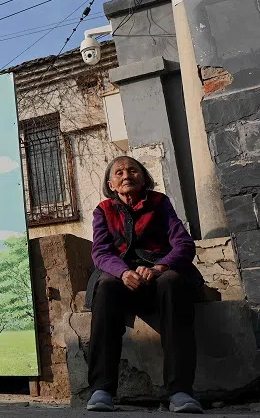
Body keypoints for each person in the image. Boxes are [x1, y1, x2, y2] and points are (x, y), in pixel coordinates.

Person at [86, 156, 204, 414]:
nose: (126, 175)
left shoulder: (160, 203)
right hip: (120, 279)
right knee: (105, 286)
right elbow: (101, 253)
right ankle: (102, 389)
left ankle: (180, 391)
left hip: (158, 275)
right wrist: (123, 272)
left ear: (143, 177)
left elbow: (183, 244)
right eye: (119, 172)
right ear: (112, 184)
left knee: (173, 281)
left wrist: (160, 267)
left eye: (132, 170)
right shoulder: (103, 210)